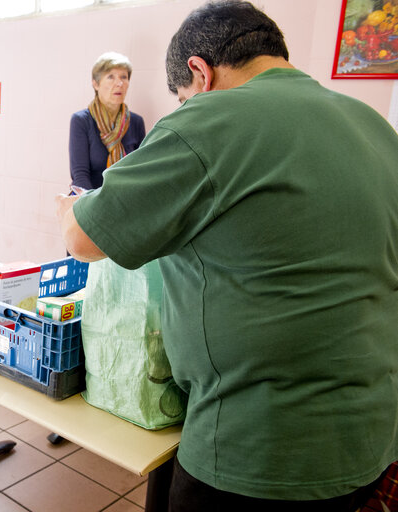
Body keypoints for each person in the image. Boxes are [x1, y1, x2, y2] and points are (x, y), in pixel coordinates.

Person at [56, 1, 398, 511]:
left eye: (182, 98)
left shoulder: (211, 118)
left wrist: (71, 207)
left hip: (255, 452)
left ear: (200, 71)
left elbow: (82, 239)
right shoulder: (373, 127)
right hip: (371, 439)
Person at [69, 52, 146, 192]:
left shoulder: (136, 122)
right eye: (111, 77)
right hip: (89, 201)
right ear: (96, 84)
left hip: (126, 200)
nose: (119, 83)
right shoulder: (81, 121)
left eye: (124, 77)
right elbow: (79, 175)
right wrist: (100, 206)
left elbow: (141, 172)